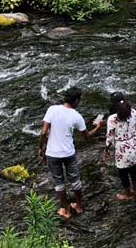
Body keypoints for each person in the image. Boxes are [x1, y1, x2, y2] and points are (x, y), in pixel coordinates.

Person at [38, 87, 102, 219]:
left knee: (59, 182)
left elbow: (44, 132)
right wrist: (97, 127)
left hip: (52, 154)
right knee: (75, 180)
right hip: (68, 153)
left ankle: (65, 210)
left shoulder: (52, 109)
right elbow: (87, 136)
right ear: (77, 100)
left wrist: (41, 148)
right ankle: (78, 206)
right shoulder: (77, 116)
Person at [105, 92, 136, 201]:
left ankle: (128, 194)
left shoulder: (112, 118)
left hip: (121, 148)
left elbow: (109, 137)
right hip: (134, 144)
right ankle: (135, 190)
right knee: (133, 168)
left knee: (123, 172)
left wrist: (106, 150)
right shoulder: (133, 112)